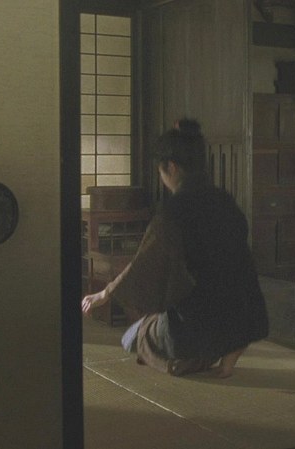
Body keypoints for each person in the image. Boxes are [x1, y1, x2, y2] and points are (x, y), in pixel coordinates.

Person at [81, 119, 269, 378]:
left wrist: (106, 293)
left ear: (171, 167)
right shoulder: (225, 201)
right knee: (218, 293)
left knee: (132, 337)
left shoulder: (174, 211)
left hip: (195, 324)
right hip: (242, 318)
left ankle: (188, 359)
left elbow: (144, 266)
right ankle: (227, 356)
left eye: (161, 171)